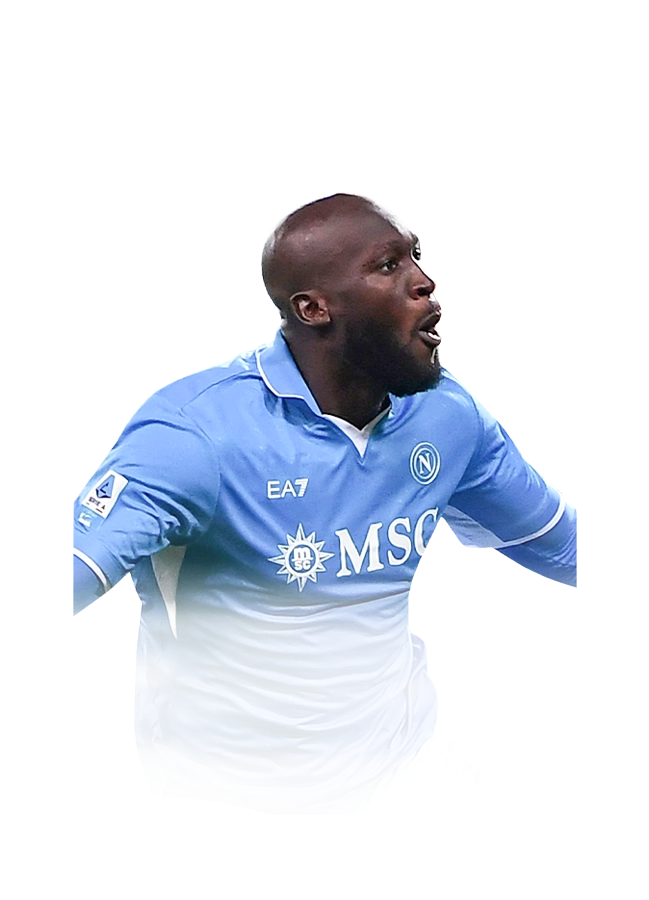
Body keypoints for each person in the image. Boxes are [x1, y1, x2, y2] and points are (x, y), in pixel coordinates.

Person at [72, 193, 578, 815]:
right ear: (313, 309)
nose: (425, 281)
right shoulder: (195, 436)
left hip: (405, 768)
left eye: (415, 257)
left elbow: (571, 549)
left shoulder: (447, 418)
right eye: (388, 265)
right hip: (227, 788)